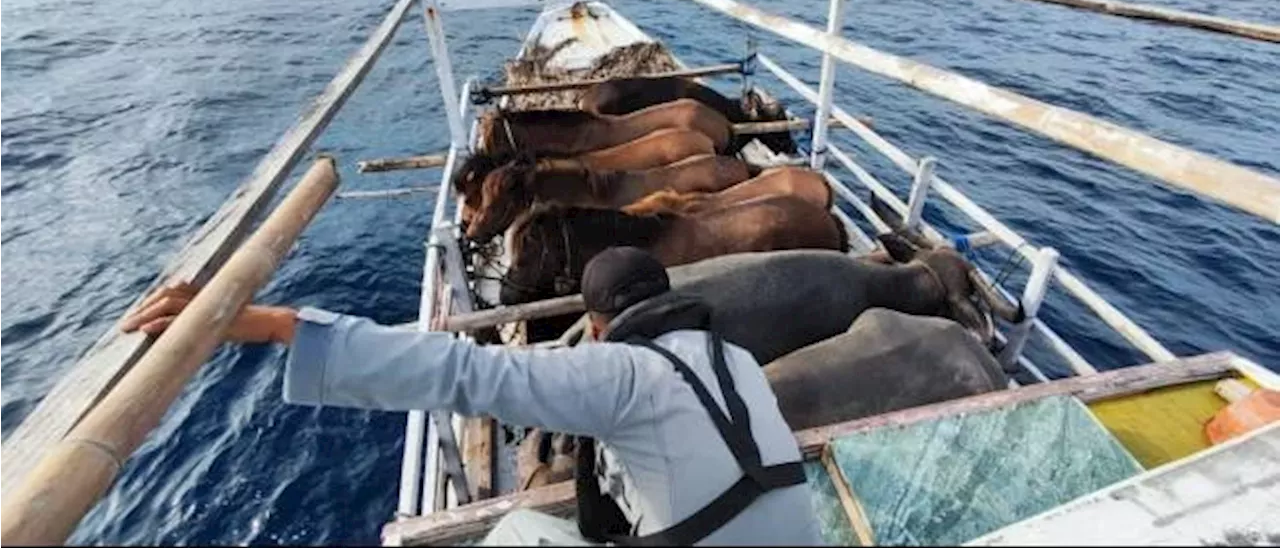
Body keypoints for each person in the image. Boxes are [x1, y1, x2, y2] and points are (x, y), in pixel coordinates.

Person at [123, 247, 822, 546]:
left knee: (519, 531)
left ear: (601, 326)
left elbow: (467, 373)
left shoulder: (619, 372)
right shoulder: (735, 359)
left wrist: (278, 326)